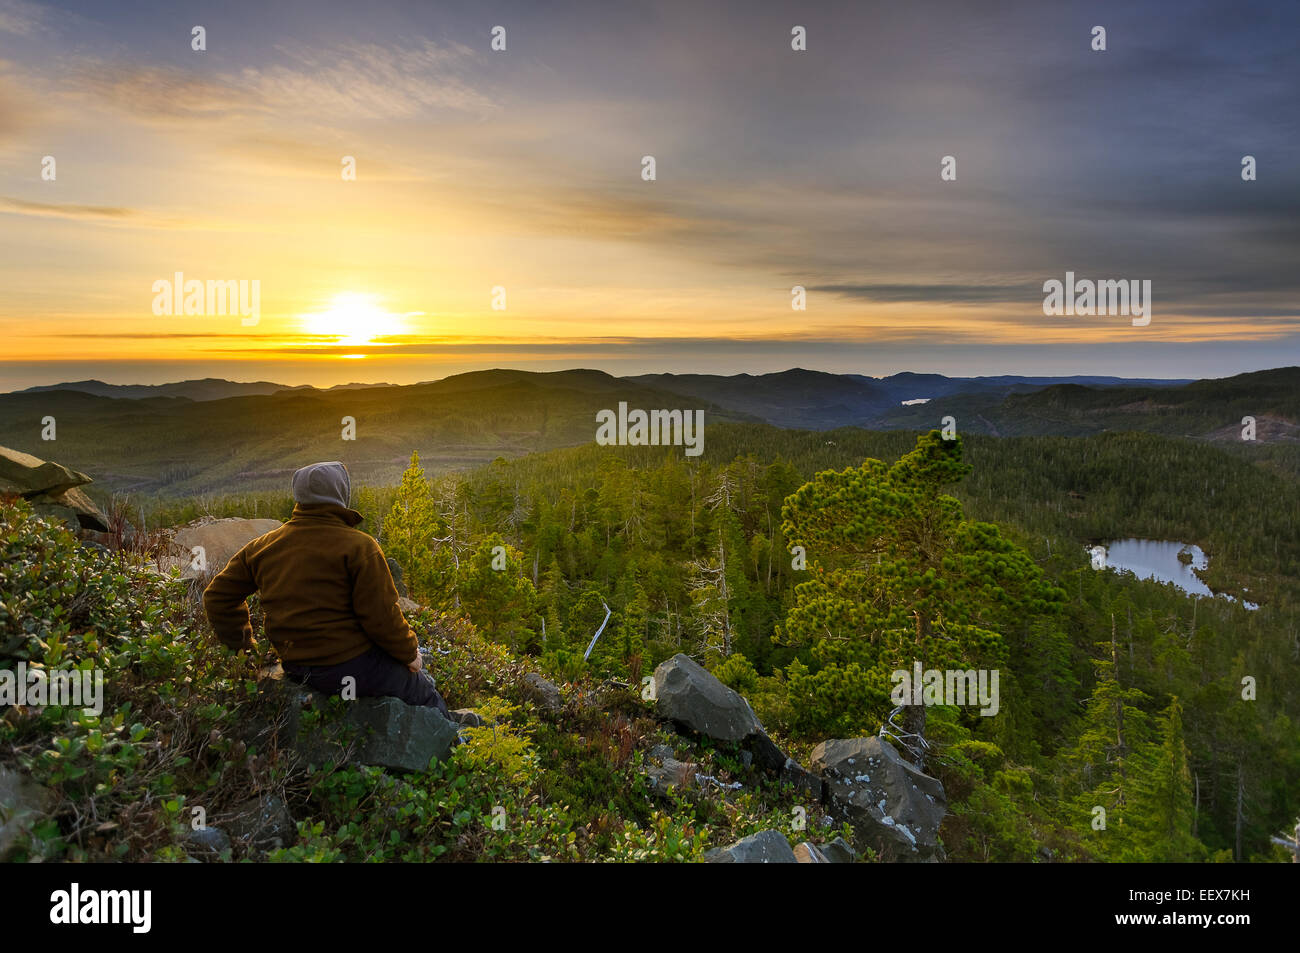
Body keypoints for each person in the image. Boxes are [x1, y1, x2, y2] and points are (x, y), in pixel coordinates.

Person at [202, 460, 449, 716]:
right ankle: (459, 744)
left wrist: (246, 652)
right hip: (350, 666)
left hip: (296, 667)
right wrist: (410, 654)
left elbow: (217, 596)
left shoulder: (263, 547)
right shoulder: (359, 546)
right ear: (342, 494)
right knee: (424, 692)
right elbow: (381, 616)